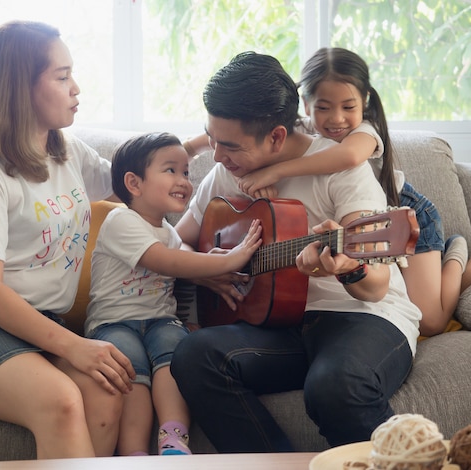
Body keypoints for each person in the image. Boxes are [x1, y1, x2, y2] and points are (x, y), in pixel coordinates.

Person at [170, 51, 423, 450]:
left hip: (361, 317)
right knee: (192, 356)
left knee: (334, 386)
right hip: (278, 326)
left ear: (276, 137)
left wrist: (346, 268)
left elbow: (376, 285)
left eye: (230, 146)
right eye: (212, 139)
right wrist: (204, 268)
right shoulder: (225, 172)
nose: (216, 156)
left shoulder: (342, 169)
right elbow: (180, 239)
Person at [0, 21, 136, 459]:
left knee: (106, 388)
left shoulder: (67, 152)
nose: (76, 88)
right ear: (19, 87)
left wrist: (212, 146)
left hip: (39, 320)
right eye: (61, 76)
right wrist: (75, 345)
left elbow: (134, 182)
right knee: (61, 401)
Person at [183, 47, 471, 337]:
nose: (336, 119)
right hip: (362, 222)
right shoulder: (281, 126)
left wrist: (275, 171)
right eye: (324, 107)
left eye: (347, 106)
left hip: (403, 209)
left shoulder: (360, 136)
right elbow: (221, 135)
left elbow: (349, 158)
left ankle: (461, 254)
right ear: (307, 105)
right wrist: (204, 270)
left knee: (433, 320)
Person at [84, 132, 262, 456]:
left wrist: (216, 266)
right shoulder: (120, 220)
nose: (184, 181)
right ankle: (134, 452)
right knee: (128, 368)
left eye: (186, 172)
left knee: (175, 356)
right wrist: (233, 257)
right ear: (134, 184)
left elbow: (185, 268)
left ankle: (173, 439)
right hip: (113, 323)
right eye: (171, 171)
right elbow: (166, 261)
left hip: (161, 320)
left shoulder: (169, 231)